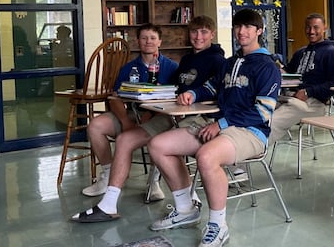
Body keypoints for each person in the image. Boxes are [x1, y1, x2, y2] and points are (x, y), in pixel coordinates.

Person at [146, 8, 281, 247]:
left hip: (250, 132)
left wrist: (221, 125)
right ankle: (186, 209)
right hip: (219, 124)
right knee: (158, 145)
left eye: (248, 27)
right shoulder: (231, 63)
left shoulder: (267, 66)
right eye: (238, 27)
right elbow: (210, 86)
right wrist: (193, 94)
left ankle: (218, 225)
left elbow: (263, 112)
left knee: (206, 157)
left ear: (259, 31)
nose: (242, 32)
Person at [70, 16, 225, 223]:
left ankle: (186, 200)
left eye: (204, 32)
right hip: (167, 112)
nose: (198, 37)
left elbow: (214, 92)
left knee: (159, 144)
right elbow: (172, 91)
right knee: (124, 139)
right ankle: (108, 204)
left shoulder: (218, 61)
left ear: (212, 34)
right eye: (194, 32)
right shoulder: (186, 60)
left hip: (190, 117)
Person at [78, 23, 178, 198]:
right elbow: (115, 98)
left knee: (158, 136)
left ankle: (153, 181)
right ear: (137, 41)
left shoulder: (172, 67)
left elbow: (176, 99)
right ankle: (108, 175)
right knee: (95, 126)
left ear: (160, 42)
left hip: (160, 115)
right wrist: (125, 121)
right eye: (144, 38)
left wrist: (151, 114)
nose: (148, 42)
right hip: (132, 114)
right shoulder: (128, 68)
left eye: (153, 38)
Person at [269, 12, 334, 144]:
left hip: (313, 104)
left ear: (324, 28)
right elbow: (289, 72)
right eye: (308, 27)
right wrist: (276, 68)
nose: (311, 31)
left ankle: (253, 150)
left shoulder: (332, 53)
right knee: (256, 113)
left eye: (316, 27)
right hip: (290, 98)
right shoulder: (300, 52)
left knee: (271, 121)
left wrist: (309, 92)